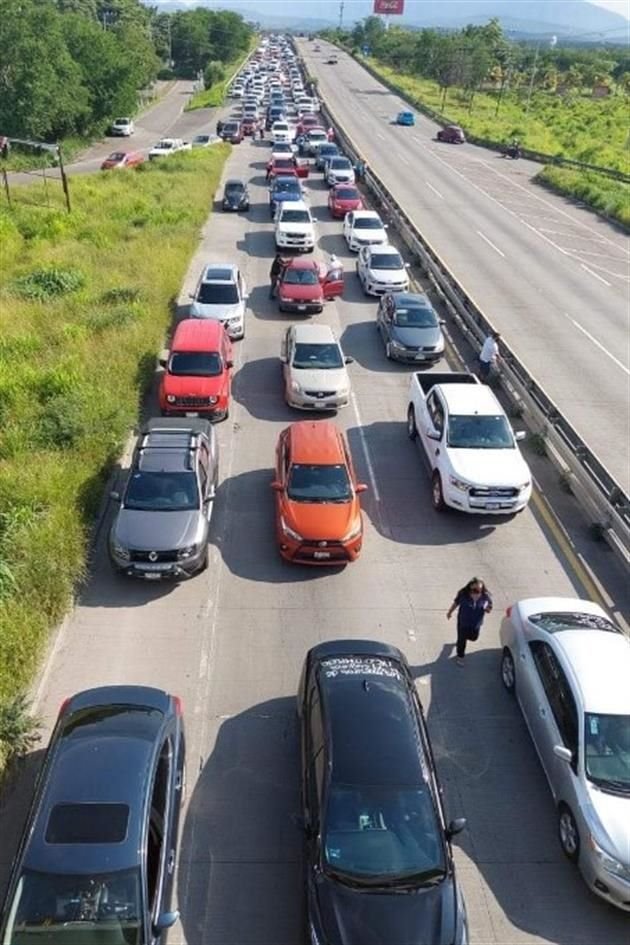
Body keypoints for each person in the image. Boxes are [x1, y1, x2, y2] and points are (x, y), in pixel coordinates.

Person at [447, 578, 493, 666]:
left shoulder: (485, 597)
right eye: (475, 590)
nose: (477, 593)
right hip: (463, 622)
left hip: (476, 624)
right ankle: (460, 656)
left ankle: (461, 640)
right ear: (470, 588)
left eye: (480, 590)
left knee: (474, 638)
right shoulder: (463, 595)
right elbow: (456, 603)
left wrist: (486, 608)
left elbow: (489, 608)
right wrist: (450, 612)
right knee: (462, 640)